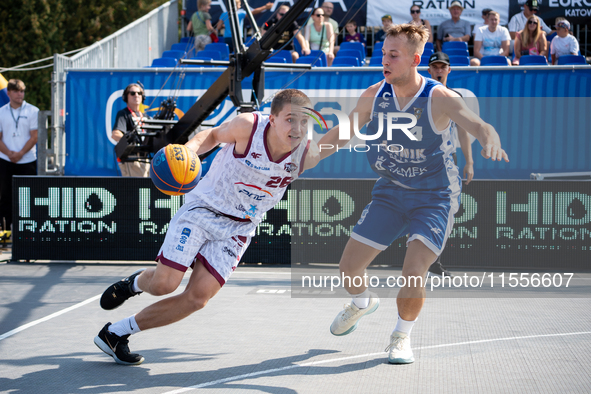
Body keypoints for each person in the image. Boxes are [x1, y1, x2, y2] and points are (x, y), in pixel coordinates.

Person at [319, 24, 508, 364]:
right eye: (383, 54)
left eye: (393, 55)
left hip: (434, 196)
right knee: (347, 268)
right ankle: (363, 303)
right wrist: (304, 158)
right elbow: (343, 133)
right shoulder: (375, 94)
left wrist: (488, 136)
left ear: (414, 60)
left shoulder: (438, 97)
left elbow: (476, 124)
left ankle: (400, 337)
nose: (385, 61)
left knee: (413, 269)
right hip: (390, 192)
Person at [94, 89, 321, 365]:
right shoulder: (248, 127)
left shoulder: (305, 150)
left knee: (197, 298)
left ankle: (116, 333)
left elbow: (345, 135)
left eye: (304, 121)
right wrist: (188, 153)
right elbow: (212, 136)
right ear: (272, 118)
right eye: (290, 119)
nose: (297, 128)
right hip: (205, 208)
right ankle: (134, 284)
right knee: (165, 284)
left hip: (239, 228)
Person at [426, 51, 476, 277]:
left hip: (447, 163)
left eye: (442, 67)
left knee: (444, 212)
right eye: (435, 67)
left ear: (448, 70)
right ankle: (419, 258)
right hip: (421, 162)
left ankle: (433, 260)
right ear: (428, 70)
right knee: (416, 210)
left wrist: (469, 162)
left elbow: (464, 132)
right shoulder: (419, 95)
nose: (438, 71)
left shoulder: (455, 98)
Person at [0, 79, 38, 235]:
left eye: (22, 91)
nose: (19, 94)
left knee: (27, 195)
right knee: (5, 195)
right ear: (8, 93)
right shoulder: (1, 111)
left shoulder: (33, 111)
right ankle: (6, 229)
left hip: (27, 159)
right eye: (16, 91)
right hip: (5, 159)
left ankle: (26, 230)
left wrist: (21, 153)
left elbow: (34, 136)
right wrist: (9, 154)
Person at [111, 83, 151, 177]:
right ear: (126, 97)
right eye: (132, 93)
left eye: (139, 93)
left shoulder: (146, 117)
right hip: (131, 158)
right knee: (135, 188)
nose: (136, 95)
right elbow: (115, 134)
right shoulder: (123, 114)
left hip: (146, 159)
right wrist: (130, 140)